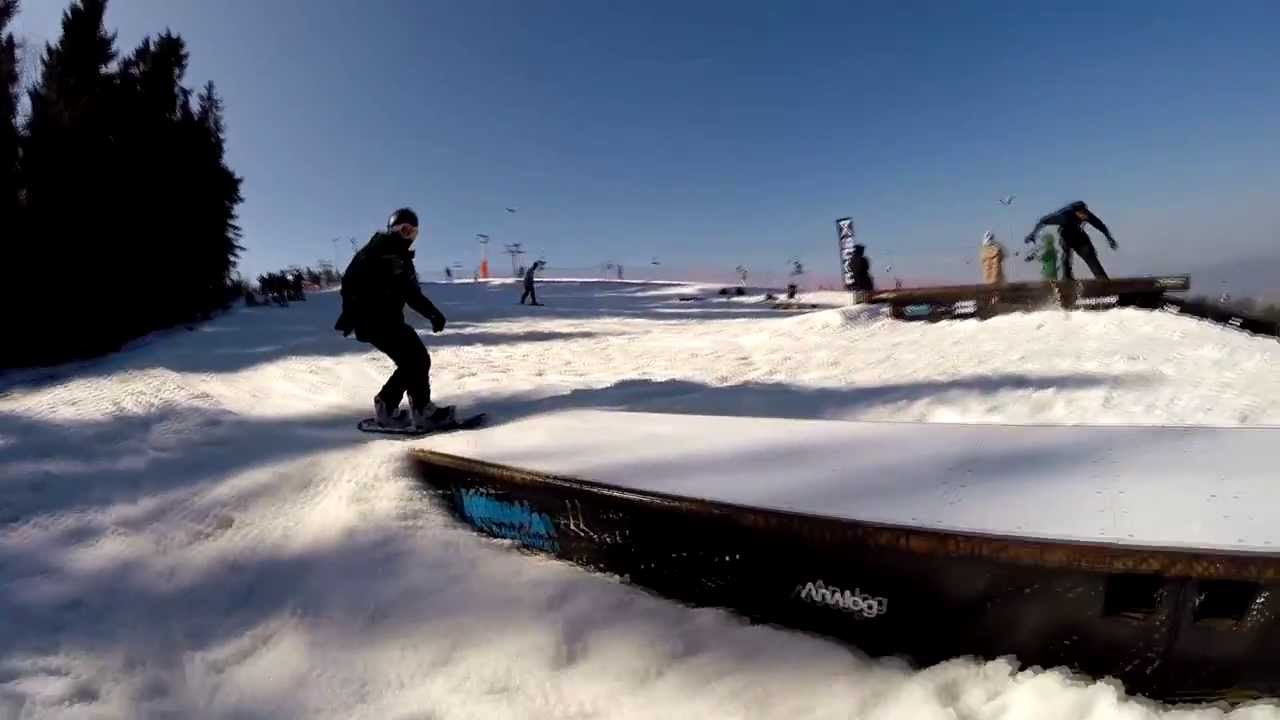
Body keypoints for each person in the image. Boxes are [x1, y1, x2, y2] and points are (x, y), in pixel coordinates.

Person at [334, 208, 454, 430]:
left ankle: (420, 408)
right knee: (413, 360)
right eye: (404, 230)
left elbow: (411, 293)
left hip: (389, 320)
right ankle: (388, 407)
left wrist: (433, 313)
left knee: (418, 359)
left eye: (413, 233)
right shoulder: (375, 251)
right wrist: (352, 313)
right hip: (371, 319)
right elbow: (350, 282)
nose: (408, 237)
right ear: (393, 229)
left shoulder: (402, 259)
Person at [1023, 201, 1117, 280]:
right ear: (1076, 212)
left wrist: (1109, 238)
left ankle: (1102, 279)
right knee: (1066, 256)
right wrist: (1033, 234)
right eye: (1082, 214)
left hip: (1079, 236)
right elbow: (1043, 220)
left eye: (1085, 213)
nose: (1085, 217)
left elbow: (1100, 225)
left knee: (1090, 255)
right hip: (1066, 237)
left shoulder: (1087, 215)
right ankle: (1067, 279)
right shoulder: (1064, 216)